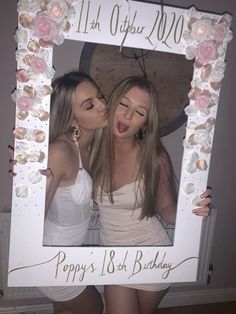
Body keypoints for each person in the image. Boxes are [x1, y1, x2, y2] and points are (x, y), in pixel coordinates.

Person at [91, 76, 211, 314]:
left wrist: (191, 211)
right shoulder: (91, 148)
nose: (127, 116)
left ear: (146, 122)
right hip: (113, 255)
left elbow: (166, 208)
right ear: (113, 104)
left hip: (152, 254)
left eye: (139, 112)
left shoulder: (154, 157)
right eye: (124, 104)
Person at [9, 70, 108, 314]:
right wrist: (27, 183)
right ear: (73, 120)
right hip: (52, 258)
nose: (103, 105)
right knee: (95, 309)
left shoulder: (90, 146)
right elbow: (31, 222)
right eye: (89, 105)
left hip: (68, 255)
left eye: (100, 96)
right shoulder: (60, 152)